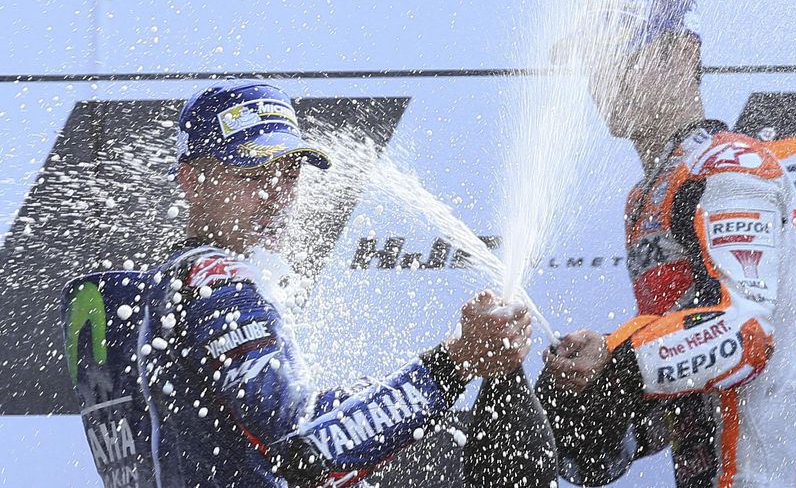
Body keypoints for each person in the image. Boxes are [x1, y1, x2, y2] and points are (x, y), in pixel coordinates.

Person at [62, 81, 534, 487]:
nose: (276, 194)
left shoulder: (148, 295)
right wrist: (454, 363)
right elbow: (309, 449)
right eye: (252, 174)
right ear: (192, 180)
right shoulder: (216, 281)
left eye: (288, 173)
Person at [537, 0, 796, 487]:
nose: (602, 75)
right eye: (592, 58)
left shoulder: (729, 166)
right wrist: (592, 418)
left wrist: (615, 362)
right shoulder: (647, 198)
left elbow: (746, 334)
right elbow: (687, 384)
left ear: (684, 53)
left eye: (622, 52)